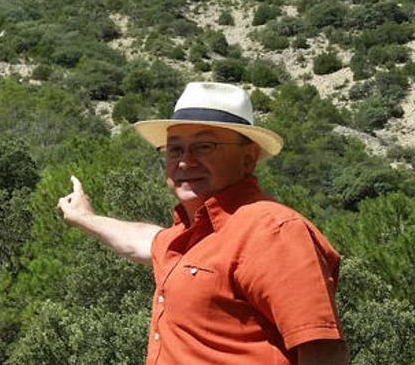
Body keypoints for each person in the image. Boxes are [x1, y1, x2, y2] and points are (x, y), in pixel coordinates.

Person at [57, 82, 348, 364]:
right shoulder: (192, 234)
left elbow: (323, 351)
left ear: (249, 158)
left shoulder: (273, 230)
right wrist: (87, 219)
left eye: (204, 146)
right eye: (174, 149)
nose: (185, 162)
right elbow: (144, 242)